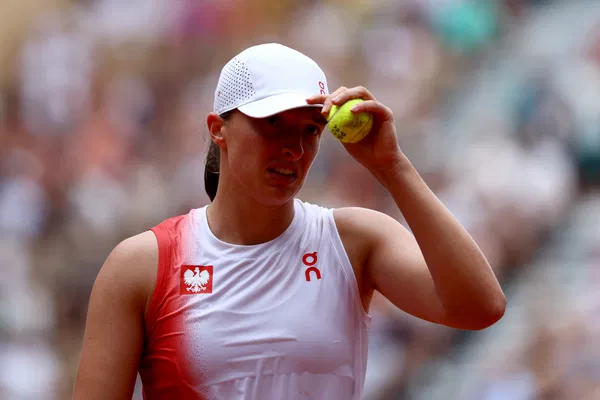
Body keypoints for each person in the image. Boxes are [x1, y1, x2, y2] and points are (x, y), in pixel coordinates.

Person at [73, 43, 506, 400]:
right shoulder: (140, 267)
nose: (294, 149)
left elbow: (481, 306)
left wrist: (392, 166)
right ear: (218, 129)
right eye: (273, 124)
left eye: (310, 130)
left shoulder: (355, 241)